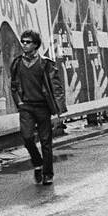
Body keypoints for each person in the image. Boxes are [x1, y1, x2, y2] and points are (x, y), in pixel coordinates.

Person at [10, 28, 67, 185]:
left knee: (45, 141)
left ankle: (48, 173)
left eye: (28, 42)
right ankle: (37, 163)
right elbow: (13, 86)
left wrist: (59, 112)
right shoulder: (17, 63)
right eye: (23, 42)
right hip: (26, 107)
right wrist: (19, 103)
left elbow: (56, 87)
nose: (24, 45)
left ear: (35, 45)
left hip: (43, 107)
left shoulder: (45, 63)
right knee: (27, 138)